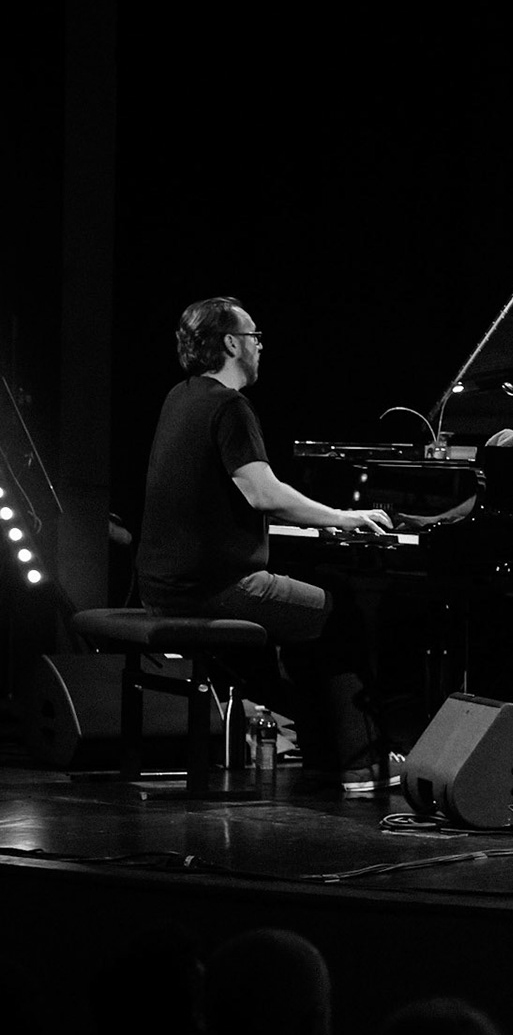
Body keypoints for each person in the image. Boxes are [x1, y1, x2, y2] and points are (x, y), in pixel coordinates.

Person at [135, 297, 395, 789]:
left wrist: (314, 519)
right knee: (341, 615)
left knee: (310, 608)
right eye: (254, 337)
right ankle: (362, 765)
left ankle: (321, 749)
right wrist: (341, 517)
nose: (259, 347)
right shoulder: (230, 405)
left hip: (163, 587)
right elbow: (263, 493)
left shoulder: (181, 396)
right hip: (213, 589)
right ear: (232, 343)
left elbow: (217, 499)